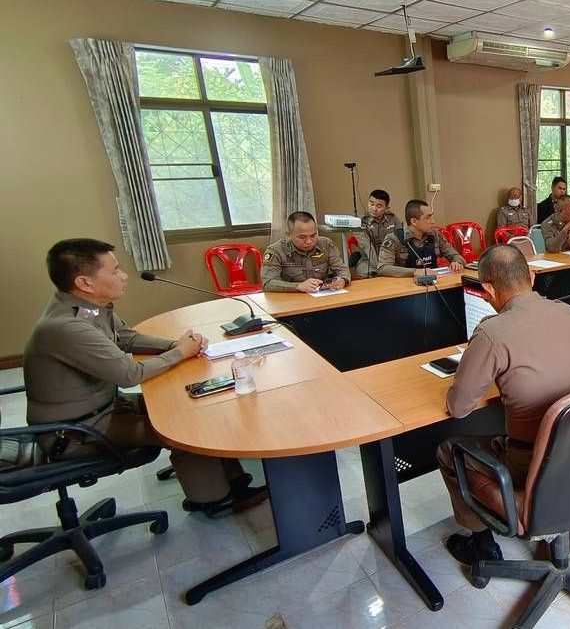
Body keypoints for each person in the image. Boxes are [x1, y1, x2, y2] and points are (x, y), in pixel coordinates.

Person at [24, 239, 267, 517]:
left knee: (192, 406)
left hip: (101, 408)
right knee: (186, 429)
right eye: (115, 271)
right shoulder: (68, 327)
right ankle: (213, 500)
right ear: (85, 282)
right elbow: (130, 374)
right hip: (76, 431)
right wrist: (180, 353)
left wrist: (175, 345)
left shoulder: (86, 306)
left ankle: (232, 481)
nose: (124, 276)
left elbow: (127, 338)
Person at [436, 244, 570, 565]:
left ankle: (481, 543)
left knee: (449, 449)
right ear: (531, 276)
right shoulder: (568, 313)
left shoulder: (492, 332)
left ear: (488, 290)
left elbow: (459, 408)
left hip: (529, 462)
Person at [262, 211, 351, 292]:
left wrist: (343, 279)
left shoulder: (326, 244)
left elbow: (342, 269)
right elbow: (268, 283)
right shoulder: (276, 251)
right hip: (291, 299)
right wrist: (297, 286)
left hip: (321, 296)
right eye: (302, 237)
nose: (309, 241)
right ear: (289, 235)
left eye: (313, 236)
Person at [378, 200, 465, 278]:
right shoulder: (394, 238)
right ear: (414, 221)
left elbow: (456, 256)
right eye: (428, 217)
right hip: (406, 284)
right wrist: (414, 272)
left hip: (434, 281)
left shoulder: (436, 235)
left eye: (432, 217)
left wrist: (457, 263)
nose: (433, 221)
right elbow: (383, 268)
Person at [351, 189, 397, 277]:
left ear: (387, 207)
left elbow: (399, 241)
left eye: (379, 206)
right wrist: (380, 267)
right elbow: (367, 247)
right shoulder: (360, 222)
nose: (374, 208)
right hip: (368, 259)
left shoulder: (393, 219)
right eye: (371, 204)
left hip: (390, 257)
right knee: (370, 273)